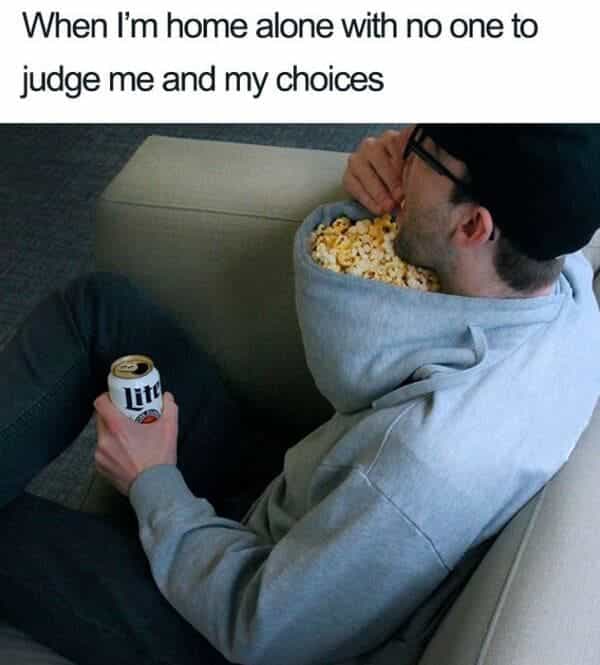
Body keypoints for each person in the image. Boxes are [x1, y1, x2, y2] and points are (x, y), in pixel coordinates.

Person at [1, 124, 600, 665]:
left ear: (473, 227)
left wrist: (151, 481)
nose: (402, 148)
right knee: (100, 310)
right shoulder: (561, 282)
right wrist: (385, 178)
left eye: (424, 151)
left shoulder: (426, 463)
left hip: (230, 620)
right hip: (304, 504)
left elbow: (260, 631)